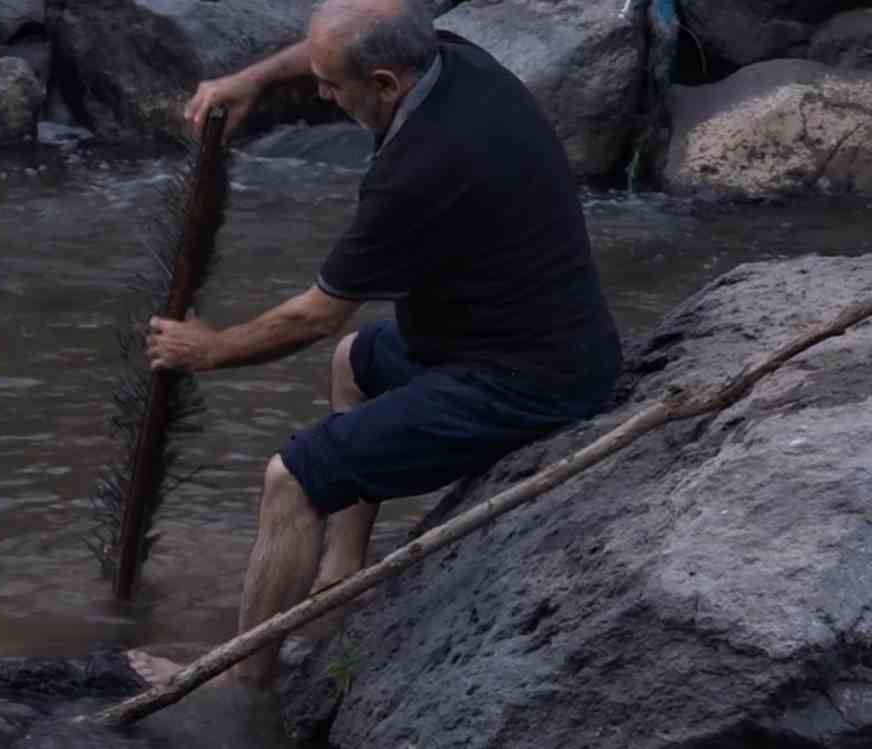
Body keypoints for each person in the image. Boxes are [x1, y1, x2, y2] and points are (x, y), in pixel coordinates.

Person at [131, 0, 622, 690]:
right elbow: (333, 52)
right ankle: (341, 572)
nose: (322, 95)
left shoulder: (419, 169)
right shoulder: (451, 58)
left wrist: (208, 350)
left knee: (292, 478)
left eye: (332, 88)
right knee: (354, 364)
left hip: (527, 377)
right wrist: (254, 79)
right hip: (522, 331)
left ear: (387, 84)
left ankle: (240, 679)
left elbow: (313, 315)